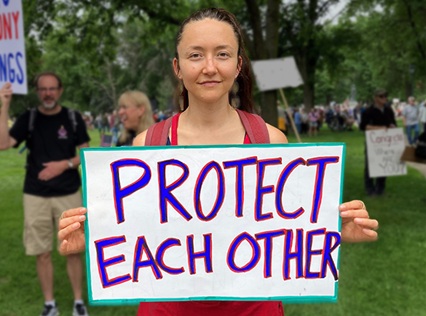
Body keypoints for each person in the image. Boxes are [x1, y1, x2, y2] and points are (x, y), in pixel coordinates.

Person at [58, 8, 379, 316]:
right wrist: (99, 236)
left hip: (253, 309)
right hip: (168, 310)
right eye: (195, 55)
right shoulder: (147, 145)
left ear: (238, 65)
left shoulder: (269, 140)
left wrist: (332, 228)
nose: (209, 67)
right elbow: (140, 233)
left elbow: (288, 230)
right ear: (177, 67)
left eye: (222, 54)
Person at [0, 72, 90, 316]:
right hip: (35, 196)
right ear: (38, 92)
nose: (48, 93)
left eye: (52, 88)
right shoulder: (29, 118)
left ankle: (78, 303)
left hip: (68, 193)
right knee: (42, 253)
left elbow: (84, 152)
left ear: (59, 90)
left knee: (72, 250)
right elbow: (3, 143)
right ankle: (50, 304)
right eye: (43, 89)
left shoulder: (72, 118)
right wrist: (5, 103)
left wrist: (63, 165)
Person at [359, 89, 396, 196]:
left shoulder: (389, 110)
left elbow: (392, 123)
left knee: (384, 165)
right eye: (381, 96)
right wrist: (380, 128)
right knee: (370, 166)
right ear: (375, 98)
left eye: (385, 96)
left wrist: (392, 127)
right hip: (372, 141)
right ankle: (370, 189)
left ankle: (380, 188)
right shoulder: (368, 111)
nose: (384, 98)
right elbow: (363, 126)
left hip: (386, 141)